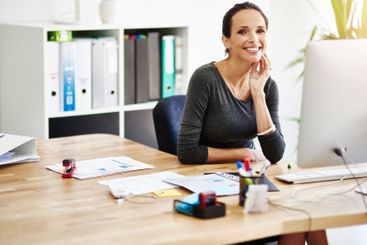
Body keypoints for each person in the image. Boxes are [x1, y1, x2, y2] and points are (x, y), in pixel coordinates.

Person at [177, 2, 328, 244]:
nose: (253, 38)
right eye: (242, 31)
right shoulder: (205, 79)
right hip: (208, 182)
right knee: (302, 219)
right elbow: (187, 152)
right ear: (226, 41)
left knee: (309, 213)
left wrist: (258, 93)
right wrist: (244, 152)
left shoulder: (267, 85)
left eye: (260, 31)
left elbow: (275, 152)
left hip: (246, 176)